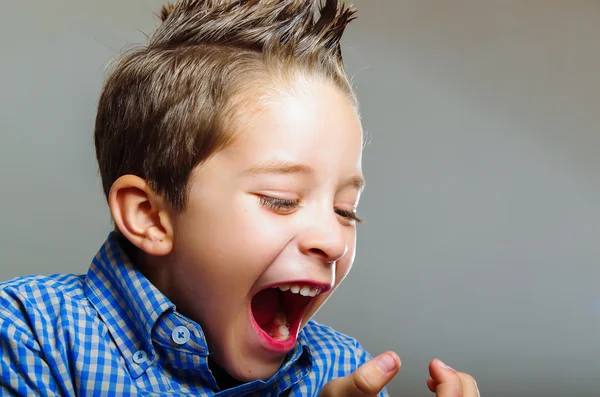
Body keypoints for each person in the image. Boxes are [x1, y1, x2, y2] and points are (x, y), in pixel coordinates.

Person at [0, 1, 479, 395]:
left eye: (345, 210)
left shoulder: (342, 370)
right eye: (282, 199)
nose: (332, 240)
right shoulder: (29, 334)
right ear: (150, 216)